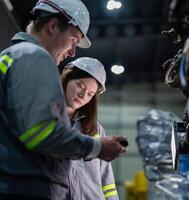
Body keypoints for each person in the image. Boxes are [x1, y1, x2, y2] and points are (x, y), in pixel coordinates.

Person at [0, 0, 126, 199]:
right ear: (53, 26)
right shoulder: (34, 57)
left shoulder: (12, 56)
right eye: (74, 41)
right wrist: (98, 147)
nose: (72, 52)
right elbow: (40, 132)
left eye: (91, 94)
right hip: (24, 190)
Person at [61, 57, 119, 200]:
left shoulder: (95, 129)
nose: (83, 95)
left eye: (90, 94)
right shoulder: (46, 120)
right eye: (80, 85)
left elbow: (107, 179)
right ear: (67, 78)